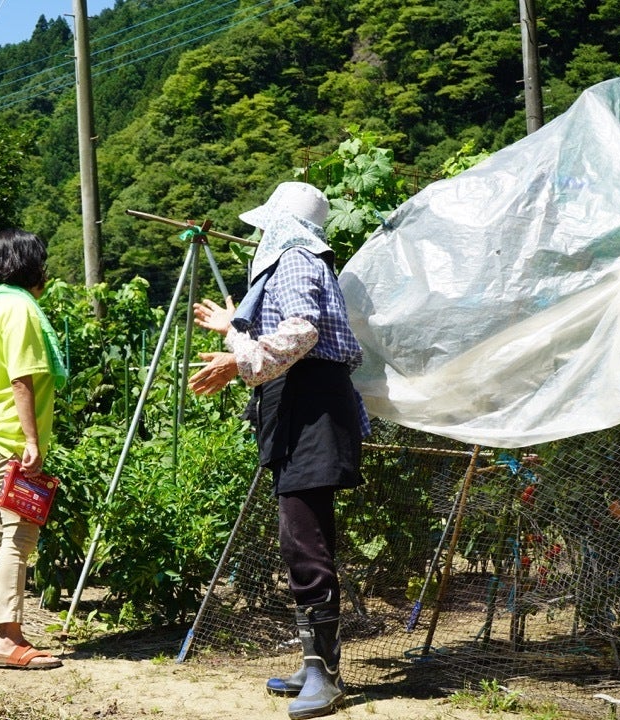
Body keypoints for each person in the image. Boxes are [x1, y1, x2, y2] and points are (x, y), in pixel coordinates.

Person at [188, 182, 368, 720]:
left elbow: (301, 332)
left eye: (267, 224)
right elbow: (287, 337)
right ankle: (316, 666)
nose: (262, 234)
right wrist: (235, 332)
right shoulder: (302, 260)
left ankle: (324, 676)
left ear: (283, 224)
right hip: (303, 405)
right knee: (302, 537)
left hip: (309, 406)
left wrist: (237, 358)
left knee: (303, 539)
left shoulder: (292, 259)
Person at [0, 228, 68, 670]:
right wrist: (31, 440)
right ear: (28, 266)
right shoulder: (21, 309)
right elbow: (21, 378)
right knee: (19, 535)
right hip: (9, 438)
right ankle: (9, 639)